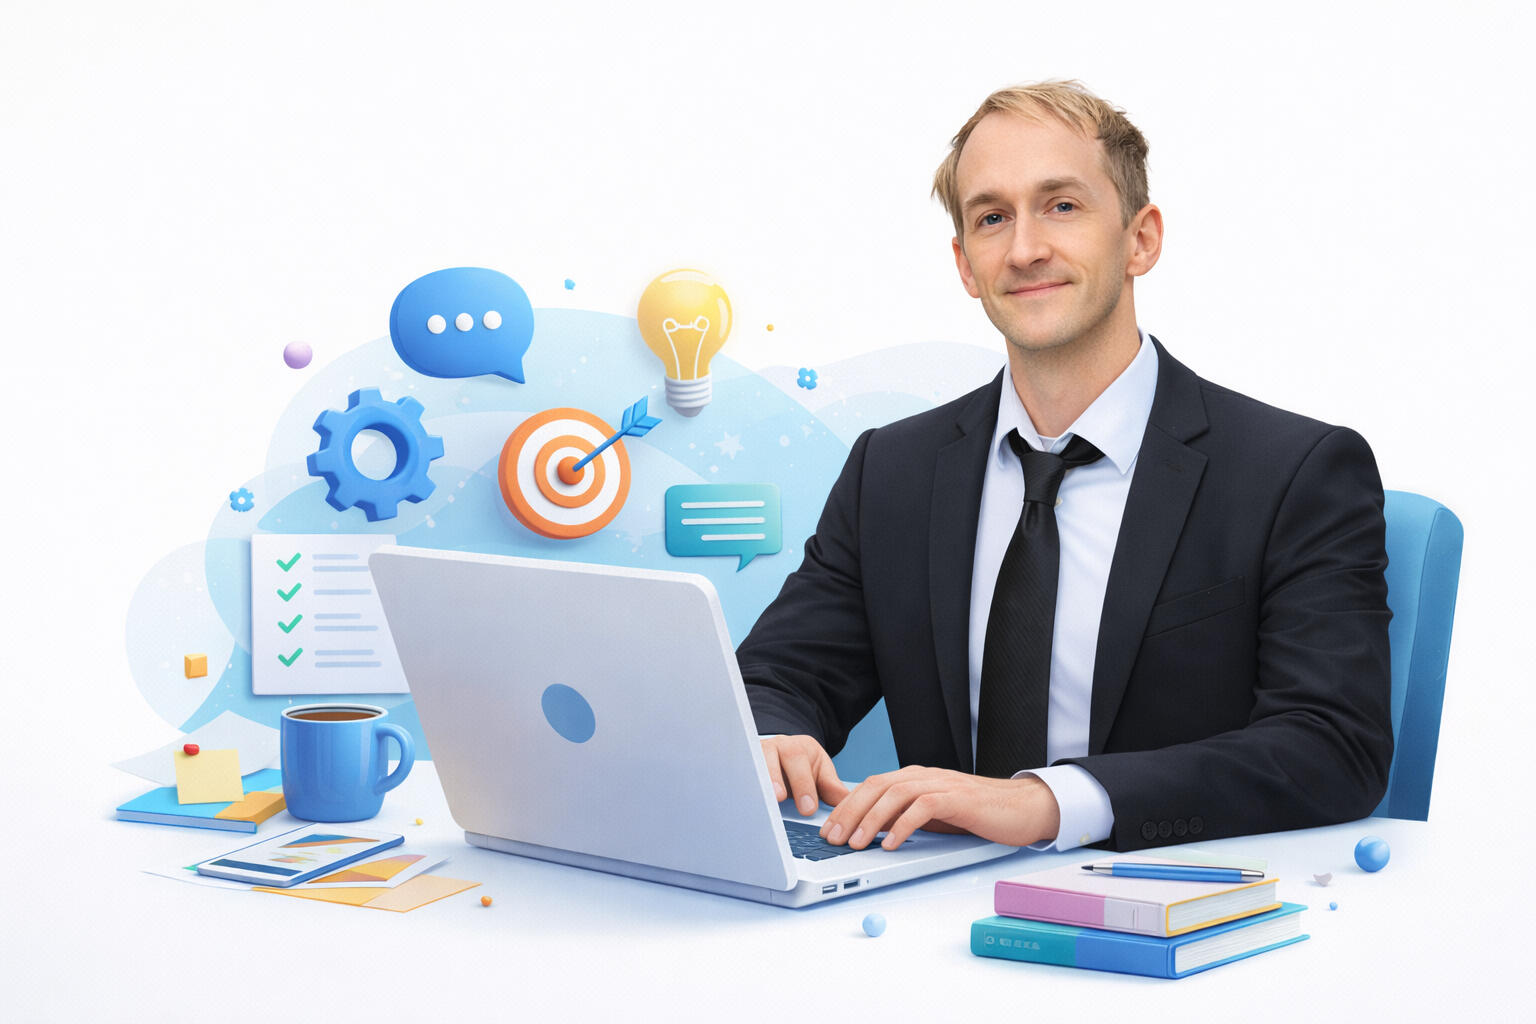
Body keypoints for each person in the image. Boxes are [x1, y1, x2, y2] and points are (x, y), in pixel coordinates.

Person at [735, 80, 1393, 854]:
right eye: (991, 218)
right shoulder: (893, 472)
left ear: (1141, 239)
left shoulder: (1295, 474)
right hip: (934, 922)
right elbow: (773, 677)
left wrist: (1051, 804)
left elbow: (1333, 747)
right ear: (966, 265)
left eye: (1062, 206)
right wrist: (772, 735)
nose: (1024, 249)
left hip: (1176, 917)